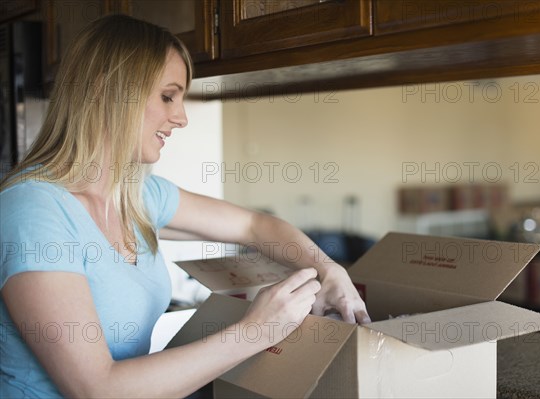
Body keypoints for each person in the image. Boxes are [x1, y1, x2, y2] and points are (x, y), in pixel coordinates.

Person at [0, 14, 370, 398]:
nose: (181, 117)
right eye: (167, 96)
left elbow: (255, 227)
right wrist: (257, 330)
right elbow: (98, 390)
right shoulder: (33, 212)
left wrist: (328, 270)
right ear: (106, 91)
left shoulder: (137, 195)